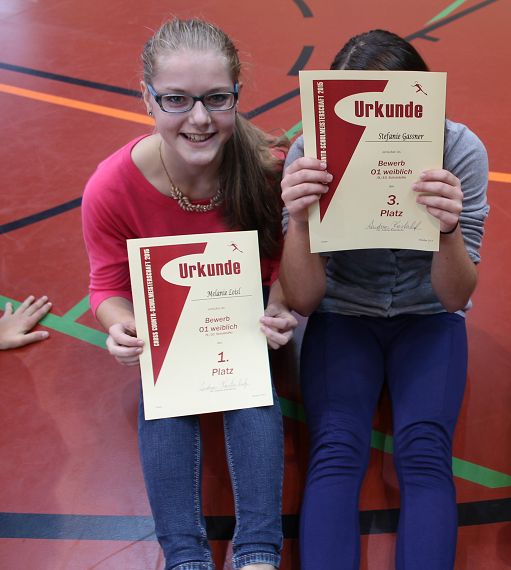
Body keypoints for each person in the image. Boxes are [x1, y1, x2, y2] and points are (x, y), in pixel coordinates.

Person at [81, 18, 297, 570]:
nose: (199, 119)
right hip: (172, 323)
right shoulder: (112, 186)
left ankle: (258, 553)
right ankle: (184, 557)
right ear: (147, 98)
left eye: (216, 99)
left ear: (236, 95)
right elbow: (106, 286)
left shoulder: (267, 173)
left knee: (254, 389)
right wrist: (120, 324)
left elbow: (281, 267)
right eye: (176, 99)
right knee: (161, 393)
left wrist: (279, 306)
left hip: (245, 317)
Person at [279, 30, 489, 570]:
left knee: (425, 454)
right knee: (335, 450)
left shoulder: (459, 150)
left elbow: (454, 297)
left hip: (429, 316)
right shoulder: (310, 154)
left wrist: (446, 229)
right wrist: (299, 224)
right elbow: (303, 299)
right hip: (342, 313)